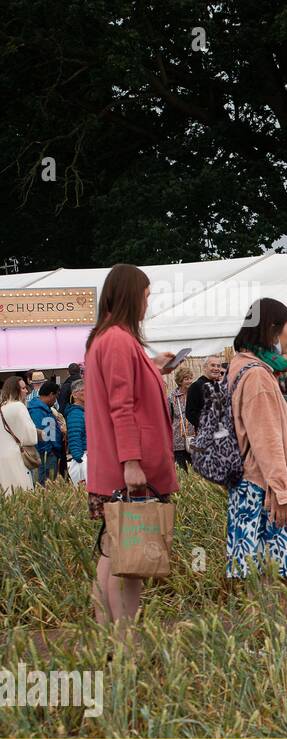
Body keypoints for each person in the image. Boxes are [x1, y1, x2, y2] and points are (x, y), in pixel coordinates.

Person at [83, 263, 180, 628]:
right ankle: (126, 646)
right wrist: (132, 462)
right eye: (146, 295)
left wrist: (153, 367)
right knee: (132, 564)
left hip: (110, 470)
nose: (147, 303)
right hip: (129, 472)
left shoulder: (104, 338)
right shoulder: (121, 340)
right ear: (130, 295)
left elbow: (121, 394)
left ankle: (108, 639)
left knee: (112, 555)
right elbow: (121, 406)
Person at [225, 298, 287, 583]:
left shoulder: (242, 367)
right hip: (265, 490)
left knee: (260, 575)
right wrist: (282, 493)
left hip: (250, 486)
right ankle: (278, 628)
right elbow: (266, 441)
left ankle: (268, 627)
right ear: (272, 330)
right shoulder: (258, 377)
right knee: (280, 575)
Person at [1, 375, 38, 492]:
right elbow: (31, 437)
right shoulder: (18, 406)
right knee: (23, 492)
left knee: (9, 495)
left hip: (3, 456)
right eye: (23, 388)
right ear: (15, 390)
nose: (26, 391)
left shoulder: (2, 407)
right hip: (17, 456)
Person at [26, 380, 62, 484]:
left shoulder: (44, 409)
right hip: (45, 455)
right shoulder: (37, 411)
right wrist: (51, 451)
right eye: (56, 397)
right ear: (51, 395)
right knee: (45, 486)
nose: (55, 400)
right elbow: (41, 435)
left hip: (48, 453)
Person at [185, 355, 225, 429]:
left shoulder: (218, 386)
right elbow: (190, 413)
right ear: (205, 367)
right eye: (212, 365)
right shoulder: (196, 386)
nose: (216, 368)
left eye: (218, 366)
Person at [168, 364, 195, 469]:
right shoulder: (172, 398)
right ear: (180, 381)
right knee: (182, 470)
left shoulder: (195, 394)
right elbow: (168, 419)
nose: (189, 381)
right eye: (186, 379)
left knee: (197, 472)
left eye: (190, 378)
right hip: (178, 441)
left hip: (194, 439)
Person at [65, 379, 87, 485]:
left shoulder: (83, 411)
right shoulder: (75, 414)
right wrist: (79, 458)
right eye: (83, 390)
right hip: (83, 456)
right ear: (74, 394)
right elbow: (74, 436)